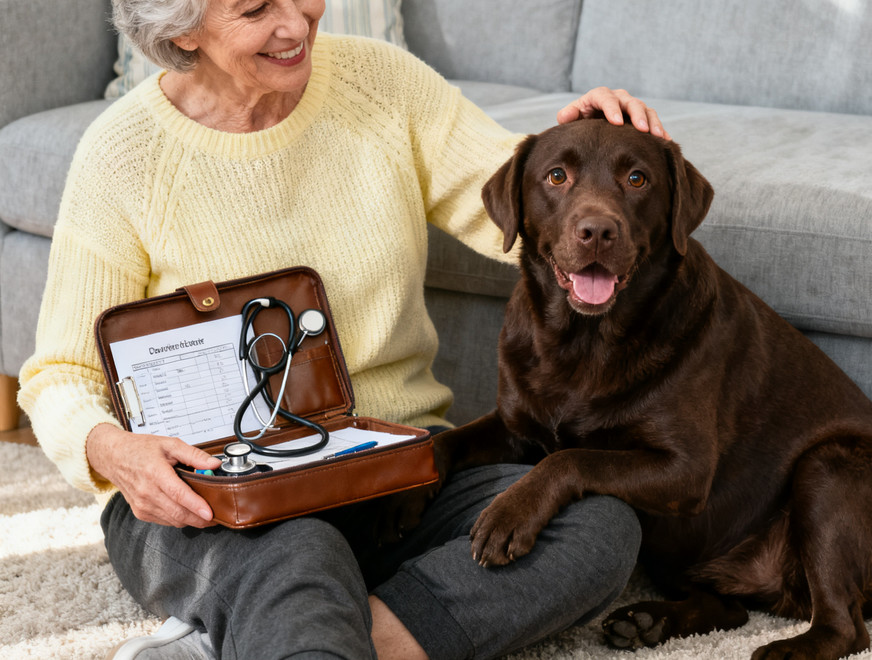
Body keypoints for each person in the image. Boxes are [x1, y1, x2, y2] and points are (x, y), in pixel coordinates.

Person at [18, 1, 667, 658]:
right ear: (183, 28)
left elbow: (530, 213)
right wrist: (110, 450)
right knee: (302, 554)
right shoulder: (123, 155)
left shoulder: (382, 85)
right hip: (212, 494)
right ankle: (296, 620)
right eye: (254, 9)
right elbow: (59, 376)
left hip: (395, 473)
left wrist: (590, 157)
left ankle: (298, 636)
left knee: (594, 522)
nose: (297, 24)